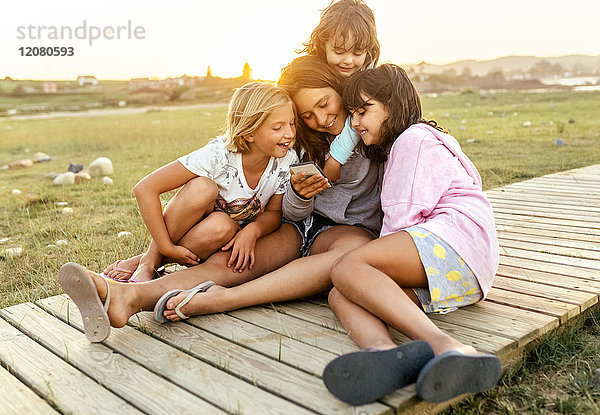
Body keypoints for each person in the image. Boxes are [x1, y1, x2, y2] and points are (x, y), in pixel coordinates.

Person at [58, 56, 382, 341]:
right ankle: (128, 295)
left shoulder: (373, 129)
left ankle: (211, 297)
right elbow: (291, 212)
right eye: (306, 115)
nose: (320, 118)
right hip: (291, 227)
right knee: (228, 259)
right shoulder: (294, 145)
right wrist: (297, 195)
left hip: (340, 233)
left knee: (349, 251)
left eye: (325, 104)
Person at [321, 64, 502, 405]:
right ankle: (384, 353)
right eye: (352, 114)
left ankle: (447, 346)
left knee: (347, 268)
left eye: (364, 111)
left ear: (393, 105)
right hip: (461, 267)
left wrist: (366, 263)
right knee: (341, 292)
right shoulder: (418, 141)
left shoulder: (412, 138)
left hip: (454, 240)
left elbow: (402, 216)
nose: (355, 123)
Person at [103, 82, 297, 283]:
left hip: (222, 241)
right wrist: (166, 247)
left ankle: (145, 261)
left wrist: (252, 231)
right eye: (277, 127)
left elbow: (274, 213)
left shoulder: (287, 160)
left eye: (291, 123)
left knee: (222, 225)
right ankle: (148, 261)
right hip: (192, 227)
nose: (290, 133)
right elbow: (145, 188)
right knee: (202, 187)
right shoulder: (218, 155)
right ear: (249, 133)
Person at [302, 0, 380, 183]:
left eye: (357, 53)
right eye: (339, 51)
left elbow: (356, 121)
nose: (348, 61)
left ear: (368, 50)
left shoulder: (366, 77)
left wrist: (336, 159)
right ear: (323, 45)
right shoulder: (312, 74)